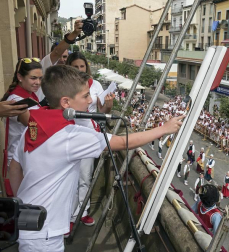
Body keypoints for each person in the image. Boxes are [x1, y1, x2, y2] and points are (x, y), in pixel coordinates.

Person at [8, 65, 184, 252]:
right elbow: (120, 142)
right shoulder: (69, 136)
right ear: (66, 102)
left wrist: (25, 201)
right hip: (45, 232)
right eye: (85, 96)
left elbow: (14, 168)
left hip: (26, 219)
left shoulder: (33, 127)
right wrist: (163, 129)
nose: (90, 100)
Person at [65, 52, 115, 233]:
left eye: (82, 66)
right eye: (75, 66)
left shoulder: (97, 85)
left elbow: (102, 110)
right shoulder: (64, 85)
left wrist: (108, 104)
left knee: (85, 177)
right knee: (69, 178)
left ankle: (82, 211)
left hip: (88, 135)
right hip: (67, 134)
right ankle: (68, 215)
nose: (79, 69)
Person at [1, 58, 43, 197]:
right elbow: (34, 125)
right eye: (33, 78)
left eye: (40, 78)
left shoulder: (30, 95)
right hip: (18, 163)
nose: (38, 82)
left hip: (26, 159)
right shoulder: (16, 100)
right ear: (20, 77)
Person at [36, 20, 83, 101]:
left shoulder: (71, 76)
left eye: (64, 57)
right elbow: (57, 52)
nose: (61, 60)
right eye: (58, 57)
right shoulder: (45, 68)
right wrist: (74, 34)